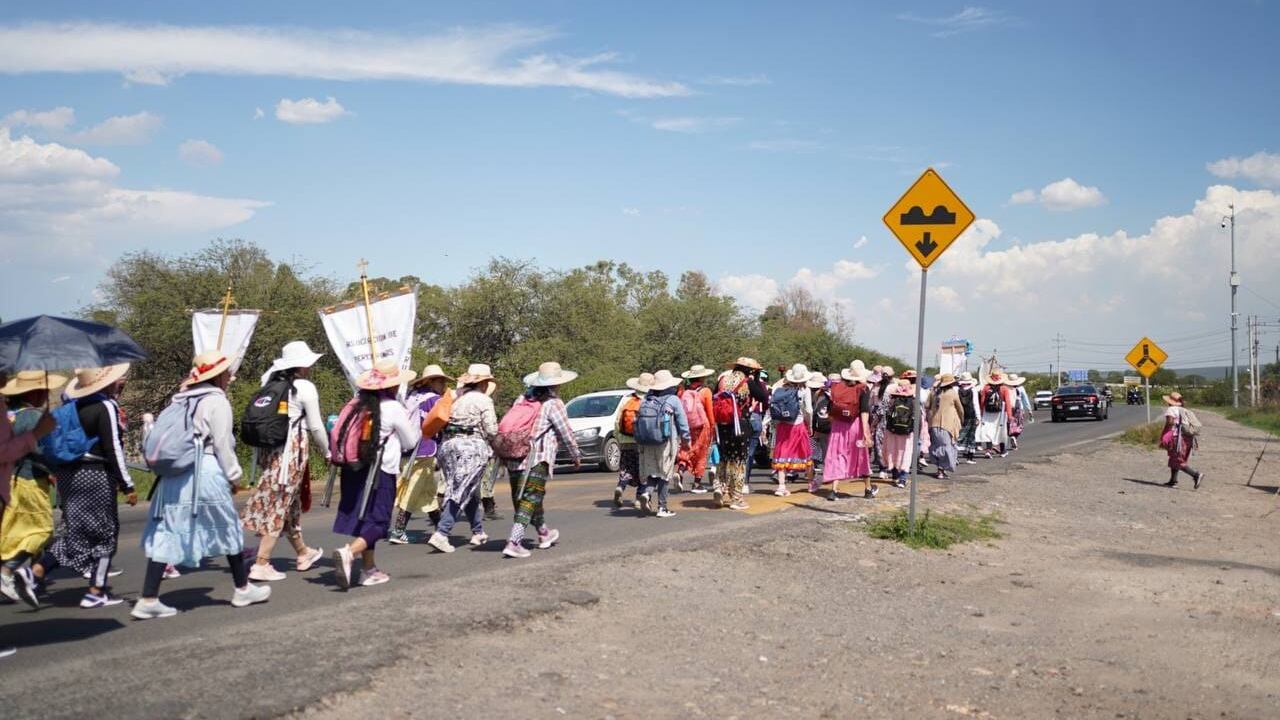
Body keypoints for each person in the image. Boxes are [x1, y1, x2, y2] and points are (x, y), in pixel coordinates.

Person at [131, 352, 272, 619]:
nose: (231, 377)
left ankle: (148, 597)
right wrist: (234, 476)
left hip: (174, 476)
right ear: (218, 375)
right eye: (228, 373)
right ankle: (242, 588)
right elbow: (222, 444)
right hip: (204, 471)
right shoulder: (216, 402)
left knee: (168, 530)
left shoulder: (179, 401)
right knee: (228, 525)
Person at [32, 364, 135, 608]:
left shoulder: (72, 407)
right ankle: (96, 592)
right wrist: (127, 483)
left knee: (75, 532)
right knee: (105, 533)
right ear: (107, 382)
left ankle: (36, 570)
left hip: (68, 476)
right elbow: (113, 448)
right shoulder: (105, 407)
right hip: (95, 474)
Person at [240, 341, 329, 581]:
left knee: (289, 503)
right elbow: (316, 426)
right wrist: (328, 451)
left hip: (270, 451)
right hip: (291, 452)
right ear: (302, 365)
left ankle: (303, 552)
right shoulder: (304, 387)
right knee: (280, 502)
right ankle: (261, 562)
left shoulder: (270, 383)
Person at [332, 362, 420, 588]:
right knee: (379, 522)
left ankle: (368, 570)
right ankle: (349, 553)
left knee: (365, 521)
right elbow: (410, 442)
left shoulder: (356, 405)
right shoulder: (392, 407)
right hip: (380, 470)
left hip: (353, 468)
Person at [503, 362, 581, 558]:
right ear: (556, 384)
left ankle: (544, 533)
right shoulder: (553, 403)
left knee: (527, 497)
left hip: (514, 455)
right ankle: (514, 541)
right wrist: (575, 455)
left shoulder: (522, 399)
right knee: (530, 498)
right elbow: (565, 432)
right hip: (537, 458)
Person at [0, 372, 64, 609]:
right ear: (35, 393)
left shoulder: (12, 416)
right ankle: (8, 571)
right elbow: (43, 452)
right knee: (43, 530)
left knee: (14, 530)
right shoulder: (33, 418)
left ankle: (30, 579)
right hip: (31, 481)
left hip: (13, 480)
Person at [428, 363, 497, 553]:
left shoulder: (456, 398)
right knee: (460, 489)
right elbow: (491, 429)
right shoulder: (483, 400)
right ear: (484, 383)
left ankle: (478, 531)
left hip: (448, 446)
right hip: (470, 447)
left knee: (469, 489)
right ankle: (442, 533)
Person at [389, 364, 453, 544]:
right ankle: (399, 530)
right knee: (414, 489)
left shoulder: (411, 397)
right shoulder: (434, 400)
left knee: (427, 493)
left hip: (408, 448)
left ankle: (440, 529)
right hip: (425, 449)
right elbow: (443, 423)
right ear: (431, 382)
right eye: (440, 381)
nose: (443, 386)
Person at [714, 358, 769, 510]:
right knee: (738, 461)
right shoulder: (747, 382)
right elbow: (764, 398)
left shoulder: (723, 380)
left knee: (724, 457)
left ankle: (719, 487)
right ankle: (736, 498)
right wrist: (757, 379)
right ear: (751, 370)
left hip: (722, 425)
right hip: (740, 425)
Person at [635, 370, 691, 518]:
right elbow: (682, 423)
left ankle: (646, 493)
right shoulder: (673, 399)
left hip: (647, 442)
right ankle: (662, 508)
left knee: (653, 472)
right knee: (665, 474)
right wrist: (686, 440)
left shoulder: (647, 399)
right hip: (665, 442)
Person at [821, 361, 873, 500]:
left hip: (838, 426)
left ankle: (834, 490)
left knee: (837, 455)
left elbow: (831, 409)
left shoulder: (838, 387)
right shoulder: (863, 388)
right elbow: (864, 411)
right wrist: (866, 432)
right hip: (855, 426)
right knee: (861, 456)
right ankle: (868, 489)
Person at [766, 364, 814, 497]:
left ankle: (781, 486)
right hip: (798, 425)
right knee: (806, 453)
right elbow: (808, 410)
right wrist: (809, 425)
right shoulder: (805, 390)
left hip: (783, 426)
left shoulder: (781, 388)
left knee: (782, 454)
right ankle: (811, 483)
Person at [613, 373, 651, 510]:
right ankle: (638, 498)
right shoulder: (649, 401)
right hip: (642, 442)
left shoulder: (626, 400)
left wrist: (619, 438)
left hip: (625, 441)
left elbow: (617, 422)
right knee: (643, 471)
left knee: (626, 468)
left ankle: (620, 487)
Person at [677, 365, 716, 495]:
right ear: (703, 377)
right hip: (702, 426)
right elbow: (710, 411)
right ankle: (697, 483)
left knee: (687, 448)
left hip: (687, 425)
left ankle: (680, 471)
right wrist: (712, 427)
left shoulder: (684, 392)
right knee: (701, 454)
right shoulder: (706, 391)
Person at [1161, 392, 1205, 488]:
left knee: (1177, 460)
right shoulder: (1184, 410)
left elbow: (1170, 422)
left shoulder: (1171, 409)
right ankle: (1173, 480)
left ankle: (1196, 475)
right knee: (1175, 458)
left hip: (1177, 437)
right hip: (1187, 438)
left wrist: (1165, 435)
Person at [926, 373, 963, 480]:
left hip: (933, 424)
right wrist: (962, 419)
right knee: (946, 447)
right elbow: (960, 409)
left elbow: (927, 405)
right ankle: (941, 470)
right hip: (947, 425)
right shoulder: (952, 393)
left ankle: (940, 468)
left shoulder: (933, 392)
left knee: (937, 446)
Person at [881, 379, 917, 488]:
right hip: (907, 433)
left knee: (892, 452)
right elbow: (917, 417)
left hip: (892, 430)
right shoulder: (914, 401)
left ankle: (895, 475)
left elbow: (884, 413)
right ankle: (903, 478)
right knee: (906, 453)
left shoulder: (891, 400)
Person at [976, 373, 1014, 458]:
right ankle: (1003, 451)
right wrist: (1009, 415)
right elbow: (1008, 402)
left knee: (988, 431)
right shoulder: (1004, 388)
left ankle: (988, 450)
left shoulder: (986, 388)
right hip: (1000, 413)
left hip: (987, 412)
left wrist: (981, 412)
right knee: (1001, 431)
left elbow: (982, 402)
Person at [870, 366, 896, 478]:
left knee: (880, 444)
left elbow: (875, 405)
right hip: (894, 420)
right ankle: (894, 470)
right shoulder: (896, 387)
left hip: (881, 419)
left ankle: (883, 468)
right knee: (893, 445)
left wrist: (873, 423)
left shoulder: (877, 387)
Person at [808, 372, 831, 482]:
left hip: (818, 425)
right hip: (823, 425)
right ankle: (825, 471)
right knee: (823, 447)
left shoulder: (813, 394)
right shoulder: (825, 395)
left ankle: (815, 471)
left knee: (816, 447)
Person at [956, 372, 980, 464]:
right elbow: (975, 404)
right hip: (971, 415)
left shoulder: (957, 390)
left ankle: (956, 457)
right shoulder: (973, 390)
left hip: (960, 415)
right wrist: (978, 417)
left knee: (959, 435)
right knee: (971, 436)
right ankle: (970, 458)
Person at [1005, 374, 1033, 450]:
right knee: (1019, 425)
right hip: (1019, 409)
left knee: (1009, 425)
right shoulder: (1021, 388)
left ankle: (1012, 437)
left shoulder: (1006, 388)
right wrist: (1029, 410)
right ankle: (1015, 437)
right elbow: (1025, 399)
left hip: (1009, 409)